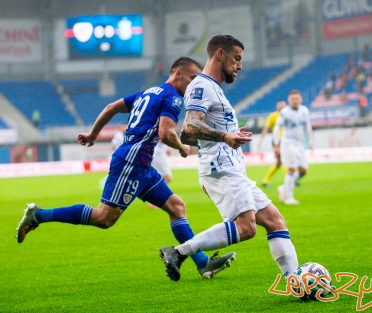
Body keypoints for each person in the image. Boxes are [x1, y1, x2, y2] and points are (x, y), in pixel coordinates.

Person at [16, 57, 235, 279]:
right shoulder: (173, 98)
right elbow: (165, 133)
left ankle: (203, 264)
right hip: (132, 163)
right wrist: (181, 147)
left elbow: (112, 107)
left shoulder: (148, 92)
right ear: (177, 74)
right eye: (191, 78)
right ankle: (39, 215)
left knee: (176, 207)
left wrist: (93, 134)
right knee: (104, 219)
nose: (193, 84)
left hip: (142, 165)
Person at [159, 35, 299, 282]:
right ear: (219, 54)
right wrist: (225, 136)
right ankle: (179, 252)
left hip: (228, 167)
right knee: (246, 228)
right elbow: (190, 127)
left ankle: (294, 281)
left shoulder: (214, 89)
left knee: (275, 221)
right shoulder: (201, 86)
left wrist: (226, 136)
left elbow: (192, 138)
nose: (240, 65)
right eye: (237, 58)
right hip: (221, 168)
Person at [273, 90, 313, 205]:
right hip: (288, 143)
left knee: (304, 170)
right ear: (289, 101)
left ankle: (284, 188)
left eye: (297, 98)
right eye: (292, 99)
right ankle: (289, 197)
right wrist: (276, 143)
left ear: (300, 99)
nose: (295, 101)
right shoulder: (285, 112)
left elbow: (307, 126)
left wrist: (310, 140)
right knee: (291, 169)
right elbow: (277, 127)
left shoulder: (304, 111)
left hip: (300, 144)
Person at [258, 100, 286, 187]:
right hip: (277, 141)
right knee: (285, 160)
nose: (281, 107)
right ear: (277, 106)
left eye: (283, 105)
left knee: (279, 163)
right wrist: (261, 140)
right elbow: (266, 128)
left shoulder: (288, 115)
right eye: (280, 105)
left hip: (287, 141)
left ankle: (265, 180)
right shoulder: (273, 116)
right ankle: (289, 180)